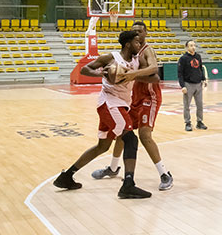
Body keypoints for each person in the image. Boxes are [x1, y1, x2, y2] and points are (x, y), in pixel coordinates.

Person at [53, 30, 156, 199]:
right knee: (130, 139)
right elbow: (85, 69)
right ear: (128, 44)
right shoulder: (111, 58)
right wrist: (101, 73)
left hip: (120, 105)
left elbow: (154, 76)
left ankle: (66, 177)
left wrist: (133, 75)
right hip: (110, 103)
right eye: (137, 42)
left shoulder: (137, 60)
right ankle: (128, 185)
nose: (140, 45)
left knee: (102, 146)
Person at [90, 21, 173, 191]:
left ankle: (165, 174)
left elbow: (154, 69)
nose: (137, 34)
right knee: (123, 132)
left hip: (149, 97)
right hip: (133, 98)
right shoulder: (130, 53)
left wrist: (133, 75)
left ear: (145, 33)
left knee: (144, 135)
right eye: (134, 31)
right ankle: (113, 168)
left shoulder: (147, 50)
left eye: (140, 31)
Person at [178, 40, 208, 132]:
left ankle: (199, 122)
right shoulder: (183, 58)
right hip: (188, 84)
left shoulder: (198, 57)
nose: (193, 47)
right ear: (187, 47)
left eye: (194, 45)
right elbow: (180, 73)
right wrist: (182, 86)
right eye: (191, 45)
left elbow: (200, 69)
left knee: (200, 104)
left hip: (198, 84)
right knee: (187, 105)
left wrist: (203, 79)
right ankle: (187, 123)